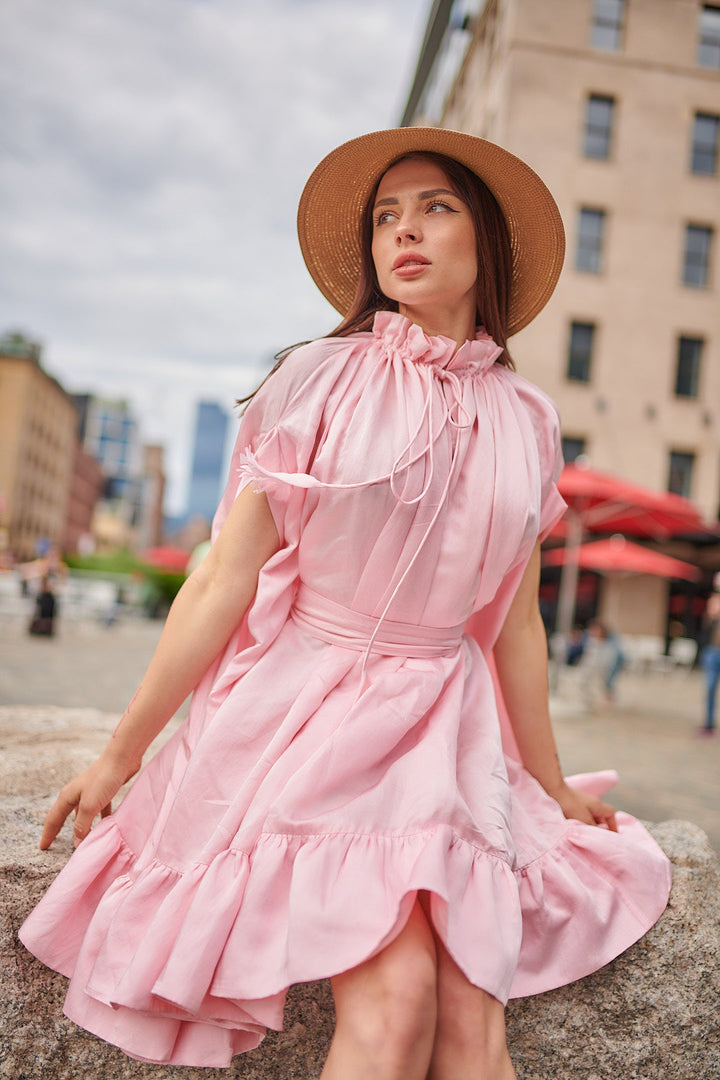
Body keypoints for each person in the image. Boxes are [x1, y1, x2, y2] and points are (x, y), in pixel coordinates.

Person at [19, 128, 672, 1079]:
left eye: (435, 208)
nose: (403, 231)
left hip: (448, 727)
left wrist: (551, 782)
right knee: (398, 1001)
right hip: (310, 715)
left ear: (485, 239)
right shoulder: (318, 378)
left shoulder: (527, 419)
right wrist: (121, 754)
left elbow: (518, 625)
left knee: (473, 1027)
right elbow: (222, 578)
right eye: (384, 217)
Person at [699, 588, 720, 735]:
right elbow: (703, 637)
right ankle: (709, 723)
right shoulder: (708, 619)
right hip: (710, 653)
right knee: (710, 688)